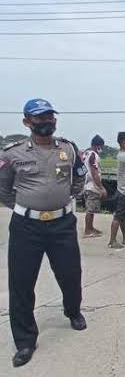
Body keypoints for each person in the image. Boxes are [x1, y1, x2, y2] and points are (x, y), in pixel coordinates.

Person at [0, 99, 87, 368]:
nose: (46, 122)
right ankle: (25, 341)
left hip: (62, 224)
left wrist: (64, 200)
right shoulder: (12, 153)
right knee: (22, 283)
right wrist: (26, 208)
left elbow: (80, 178)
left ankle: (73, 311)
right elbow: (3, 189)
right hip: (27, 227)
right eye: (39, 118)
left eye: (50, 117)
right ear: (27, 122)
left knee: (71, 274)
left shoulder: (68, 149)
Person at [82, 135, 106, 238]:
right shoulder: (93, 155)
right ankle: (88, 230)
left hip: (87, 184)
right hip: (92, 185)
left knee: (91, 208)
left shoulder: (86, 153)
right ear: (98, 146)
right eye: (101, 146)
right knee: (91, 209)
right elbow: (94, 173)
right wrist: (101, 188)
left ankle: (90, 227)